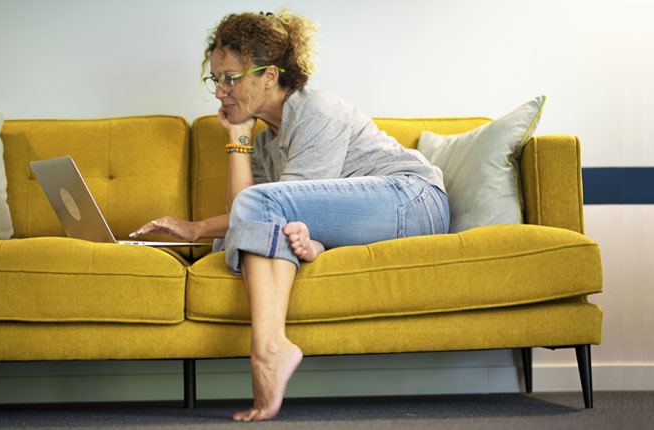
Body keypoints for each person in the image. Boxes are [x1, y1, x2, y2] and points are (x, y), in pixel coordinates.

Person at [132, 10, 450, 421]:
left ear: (270, 75)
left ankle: (268, 349)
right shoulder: (266, 142)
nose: (219, 92)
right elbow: (248, 211)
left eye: (230, 77)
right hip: (366, 215)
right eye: (215, 79)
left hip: (412, 198)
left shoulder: (317, 110)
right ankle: (312, 249)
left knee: (261, 214)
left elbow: (273, 203)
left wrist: (202, 226)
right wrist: (239, 141)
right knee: (246, 226)